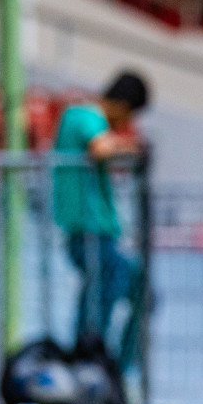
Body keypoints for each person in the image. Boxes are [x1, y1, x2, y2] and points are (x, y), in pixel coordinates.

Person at [52, 72, 150, 371]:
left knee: (121, 295)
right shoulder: (84, 116)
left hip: (96, 232)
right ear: (121, 106)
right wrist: (134, 147)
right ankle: (98, 365)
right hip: (88, 232)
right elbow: (100, 147)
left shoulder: (81, 118)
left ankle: (109, 367)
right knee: (103, 299)